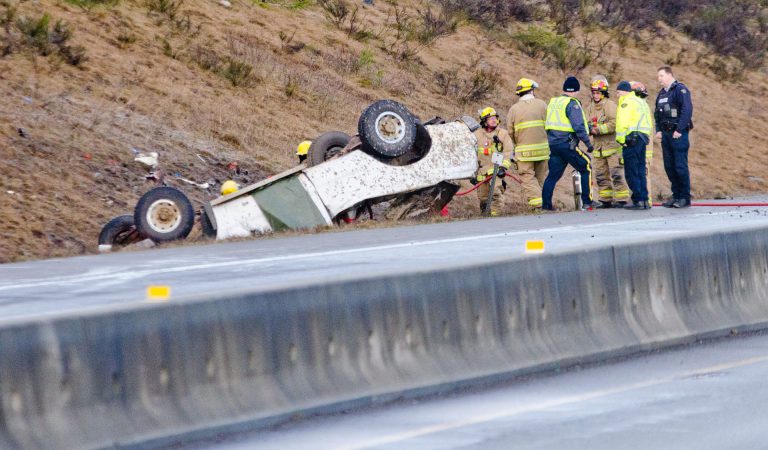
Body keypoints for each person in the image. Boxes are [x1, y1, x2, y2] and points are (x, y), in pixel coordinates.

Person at [542, 76, 594, 211]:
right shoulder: (572, 103)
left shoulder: (554, 102)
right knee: (586, 166)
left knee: (552, 175)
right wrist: (588, 144)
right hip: (568, 145)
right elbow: (578, 126)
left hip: (553, 145)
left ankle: (546, 205)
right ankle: (588, 202)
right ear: (576, 90)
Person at [585, 76, 629, 208]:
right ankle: (605, 199)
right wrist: (588, 129)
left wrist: (598, 130)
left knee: (616, 174)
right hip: (598, 148)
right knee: (600, 175)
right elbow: (586, 122)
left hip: (612, 148)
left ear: (604, 93)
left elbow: (615, 123)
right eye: (594, 93)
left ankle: (622, 199)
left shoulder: (610, 106)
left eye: (598, 93)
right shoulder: (590, 108)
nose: (596, 95)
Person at [506, 78, 549, 209]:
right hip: (543, 150)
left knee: (528, 178)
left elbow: (510, 132)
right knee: (539, 180)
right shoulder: (542, 104)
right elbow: (549, 125)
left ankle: (537, 205)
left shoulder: (514, 109)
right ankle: (540, 205)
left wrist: (517, 143)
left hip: (524, 153)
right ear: (531, 90)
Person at [654, 66, 693, 208]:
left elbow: (687, 110)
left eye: (661, 75)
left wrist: (679, 129)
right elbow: (657, 113)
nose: (659, 79)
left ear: (670, 75)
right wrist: (658, 130)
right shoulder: (661, 94)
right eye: (658, 76)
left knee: (680, 166)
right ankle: (676, 195)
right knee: (669, 166)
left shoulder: (680, 90)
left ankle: (684, 197)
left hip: (678, 134)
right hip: (666, 135)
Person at [615, 81, 653, 210]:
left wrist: (621, 139)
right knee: (641, 170)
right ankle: (644, 200)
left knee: (631, 171)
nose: (617, 95)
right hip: (642, 138)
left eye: (619, 92)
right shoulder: (641, 102)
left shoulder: (626, 102)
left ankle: (637, 200)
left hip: (631, 139)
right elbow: (648, 122)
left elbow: (622, 122)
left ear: (625, 91)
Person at [471, 107, 514, 216]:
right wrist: (472, 174)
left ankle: (496, 217)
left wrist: (503, 167)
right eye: (491, 118)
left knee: (495, 192)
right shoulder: (476, 135)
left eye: (495, 118)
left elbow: (508, 152)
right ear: (484, 121)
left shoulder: (503, 134)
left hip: (496, 171)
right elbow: (471, 155)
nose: (494, 120)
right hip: (481, 172)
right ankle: (485, 217)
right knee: (483, 198)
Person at [631, 81, 655, 204]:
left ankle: (646, 200)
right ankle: (642, 199)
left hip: (644, 147)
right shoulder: (642, 106)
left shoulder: (641, 108)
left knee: (644, 174)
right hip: (642, 146)